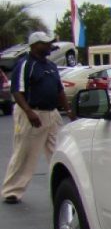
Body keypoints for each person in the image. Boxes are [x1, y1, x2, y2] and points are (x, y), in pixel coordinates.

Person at [2, 32, 75, 204]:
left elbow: (59, 91)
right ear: (35, 45)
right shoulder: (25, 64)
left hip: (52, 114)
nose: (50, 46)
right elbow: (16, 92)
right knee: (25, 153)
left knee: (60, 150)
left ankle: (62, 187)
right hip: (31, 113)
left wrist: (68, 110)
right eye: (46, 43)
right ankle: (12, 190)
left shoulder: (50, 65)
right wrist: (28, 112)